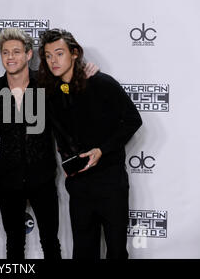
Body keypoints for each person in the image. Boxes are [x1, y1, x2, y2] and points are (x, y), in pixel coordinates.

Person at [0, 28, 97, 259]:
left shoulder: (47, 85)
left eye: (16, 52)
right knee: (13, 243)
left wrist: (89, 74)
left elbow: (67, 118)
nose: (10, 57)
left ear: (28, 55)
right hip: (8, 178)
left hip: (42, 177)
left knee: (50, 241)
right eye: (5, 52)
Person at [38, 28, 142, 259]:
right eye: (48, 55)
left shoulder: (102, 82)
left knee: (116, 251)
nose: (53, 61)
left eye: (59, 53)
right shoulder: (51, 91)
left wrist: (102, 150)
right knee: (83, 252)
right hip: (79, 185)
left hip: (110, 182)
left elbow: (133, 120)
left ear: (74, 53)